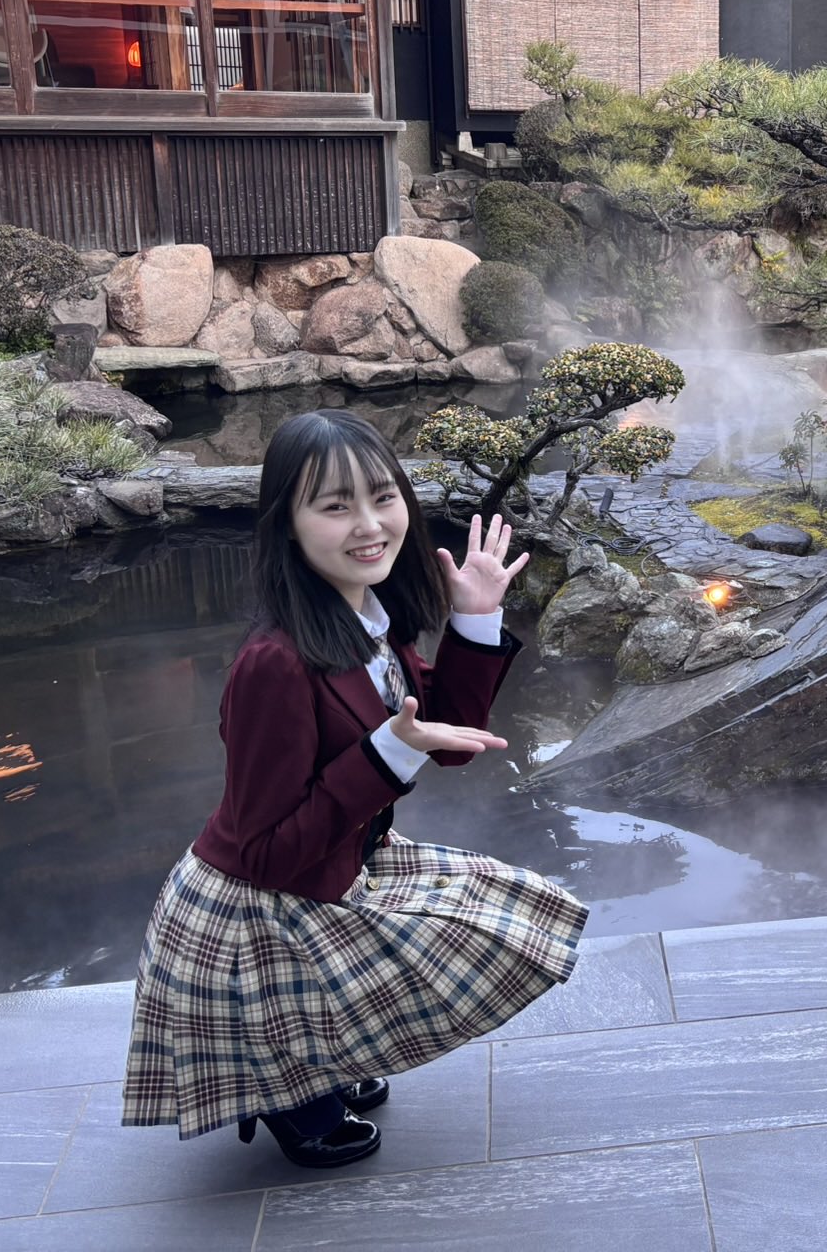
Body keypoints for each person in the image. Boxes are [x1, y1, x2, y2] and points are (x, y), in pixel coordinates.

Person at [121, 409, 587, 1167]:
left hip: (339, 862)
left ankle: (319, 1069)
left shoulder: (370, 617)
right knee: (320, 1000)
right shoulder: (273, 664)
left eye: (383, 496)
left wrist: (475, 620)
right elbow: (267, 856)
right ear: (288, 525)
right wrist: (385, 753)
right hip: (254, 912)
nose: (370, 526)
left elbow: (448, 743)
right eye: (336, 506)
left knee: (508, 912)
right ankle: (291, 1101)